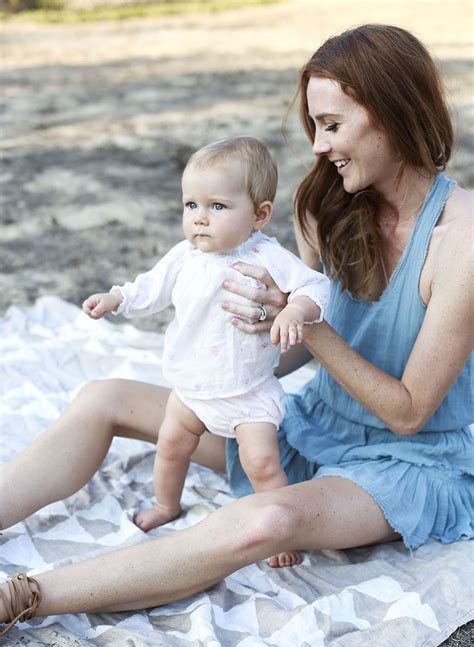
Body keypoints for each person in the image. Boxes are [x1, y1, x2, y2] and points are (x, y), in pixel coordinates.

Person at [0, 24, 472, 638]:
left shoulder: (461, 240)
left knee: (265, 519)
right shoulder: (326, 205)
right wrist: (240, 349)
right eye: (315, 128)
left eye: (333, 125)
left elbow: (408, 412)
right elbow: (291, 355)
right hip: (305, 427)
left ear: (392, 110)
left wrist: (299, 318)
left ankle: (20, 596)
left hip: (403, 461)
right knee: (103, 397)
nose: (321, 147)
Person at [82, 136, 330, 567]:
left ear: (260, 215)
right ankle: (165, 503)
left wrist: (296, 309)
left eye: (217, 206)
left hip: (247, 391)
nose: (199, 219)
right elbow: (149, 289)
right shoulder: (184, 257)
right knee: (172, 445)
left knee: (262, 465)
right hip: (192, 387)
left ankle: (281, 530)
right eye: (190, 205)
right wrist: (117, 298)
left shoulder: (268, 256)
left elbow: (315, 285)